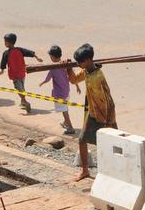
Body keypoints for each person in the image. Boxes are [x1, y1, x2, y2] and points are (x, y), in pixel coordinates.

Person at [68, 43, 117, 182]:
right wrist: (68, 68)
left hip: (104, 114)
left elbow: (104, 100)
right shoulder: (87, 71)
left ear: (89, 60)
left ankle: (113, 173)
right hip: (93, 112)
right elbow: (73, 80)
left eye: (80, 62)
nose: (79, 64)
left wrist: (105, 122)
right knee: (82, 140)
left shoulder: (97, 77)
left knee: (110, 143)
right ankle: (85, 170)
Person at [40, 45, 81, 135]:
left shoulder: (53, 68)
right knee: (64, 107)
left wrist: (43, 82)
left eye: (50, 56)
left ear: (53, 57)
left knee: (64, 111)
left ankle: (70, 128)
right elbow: (72, 76)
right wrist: (77, 86)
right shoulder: (65, 64)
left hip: (59, 94)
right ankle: (66, 122)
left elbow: (48, 78)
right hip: (66, 91)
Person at [0, 33, 41, 113]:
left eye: (5, 41)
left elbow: (3, 62)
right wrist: (37, 57)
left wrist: (2, 70)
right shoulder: (19, 49)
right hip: (22, 72)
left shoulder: (6, 53)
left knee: (18, 89)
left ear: (8, 42)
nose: (4, 43)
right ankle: (22, 102)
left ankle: (25, 101)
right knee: (22, 87)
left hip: (14, 74)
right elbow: (29, 52)